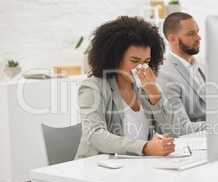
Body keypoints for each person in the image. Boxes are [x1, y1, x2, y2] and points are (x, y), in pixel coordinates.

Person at [75, 16, 178, 159]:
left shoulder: (144, 88)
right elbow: (95, 135)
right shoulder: (93, 87)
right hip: (99, 168)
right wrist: (145, 147)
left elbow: (172, 131)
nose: (141, 67)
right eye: (134, 61)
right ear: (114, 58)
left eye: (146, 61)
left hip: (136, 167)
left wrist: (156, 98)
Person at [157, 12, 206, 133]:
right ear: (173, 39)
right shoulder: (165, 75)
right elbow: (181, 127)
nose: (198, 38)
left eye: (197, 32)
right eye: (191, 34)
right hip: (191, 145)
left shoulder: (202, 65)